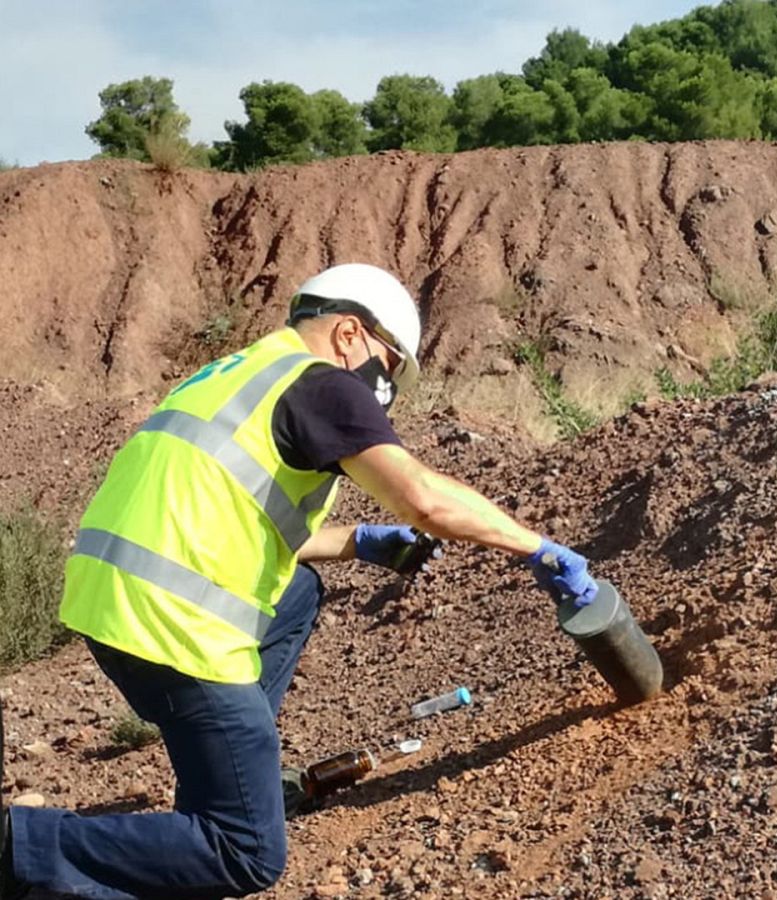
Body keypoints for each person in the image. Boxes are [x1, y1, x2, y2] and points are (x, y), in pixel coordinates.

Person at [0, 263, 597, 899]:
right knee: (247, 853)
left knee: (298, 592)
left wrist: (359, 542)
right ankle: (19, 846)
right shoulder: (322, 384)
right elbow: (423, 499)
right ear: (349, 334)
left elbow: (238, 513)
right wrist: (535, 545)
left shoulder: (237, 373)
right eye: (389, 366)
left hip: (113, 598)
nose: (385, 386)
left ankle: (229, 782)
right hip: (172, 620)